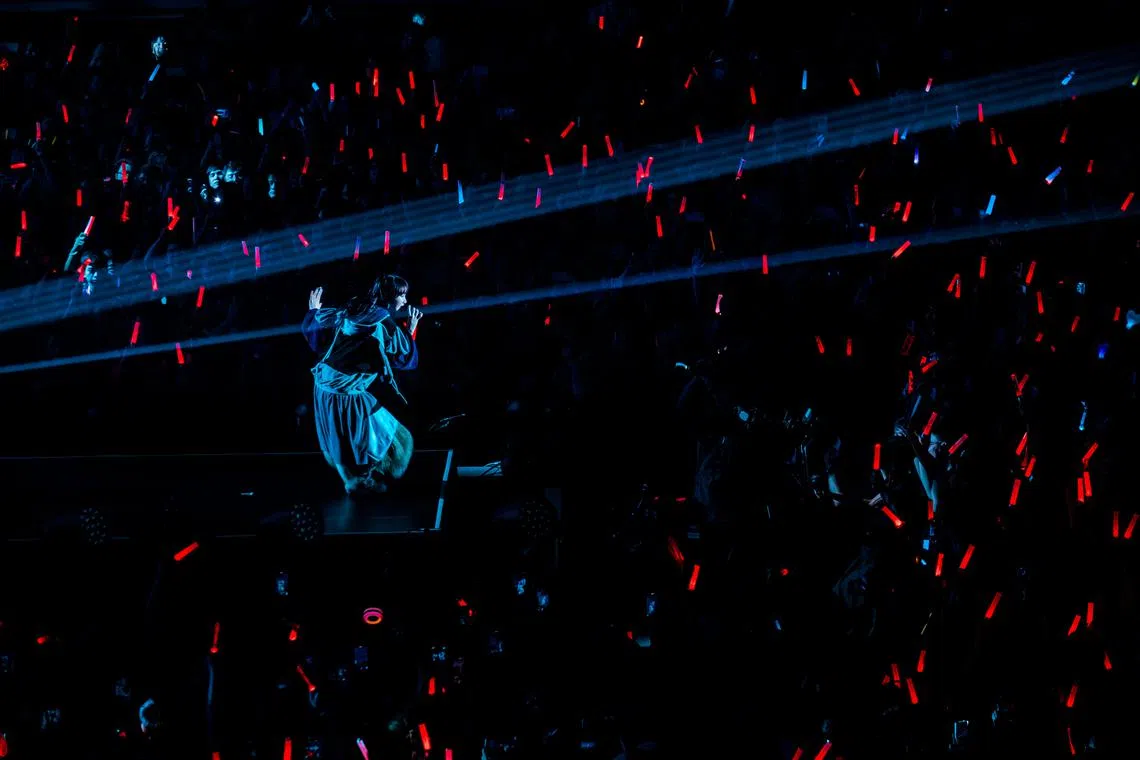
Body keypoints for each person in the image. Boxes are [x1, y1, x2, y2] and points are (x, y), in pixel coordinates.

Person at [302, 275, 422, 493]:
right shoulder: (382, 321)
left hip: (326, 381)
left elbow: (321, 328)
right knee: (389, 434)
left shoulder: (356, 307)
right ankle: (354, 481)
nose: (405, 301)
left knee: (339, 432)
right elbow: (403, 357)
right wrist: (411, 328)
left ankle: (353, 479)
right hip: (343, 388)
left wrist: (313, 311)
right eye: (402, 295)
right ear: (390, 297)